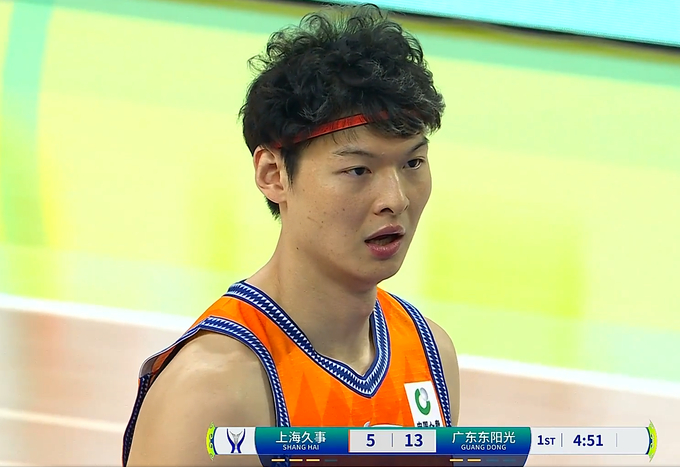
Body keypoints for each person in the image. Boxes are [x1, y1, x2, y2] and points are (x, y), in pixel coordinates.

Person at [122, 3, 460, 466]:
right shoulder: (213, 389)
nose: (395, 199)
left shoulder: (429, 354)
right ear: (273, 174)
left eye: (413, 163)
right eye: (358, 170)